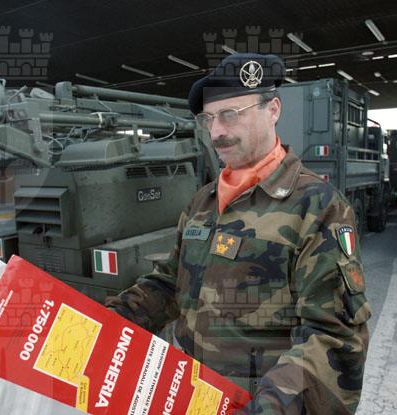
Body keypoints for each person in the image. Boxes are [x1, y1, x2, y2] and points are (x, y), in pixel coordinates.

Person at [105, 53, 371, 414]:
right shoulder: (203, 201)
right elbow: (170, 284)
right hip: (191, 396)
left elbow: (334, 339)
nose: (216, 132)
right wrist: (106, 320)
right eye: (208, 119)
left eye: (230, 114)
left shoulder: (317, 206)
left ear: (273, 109)